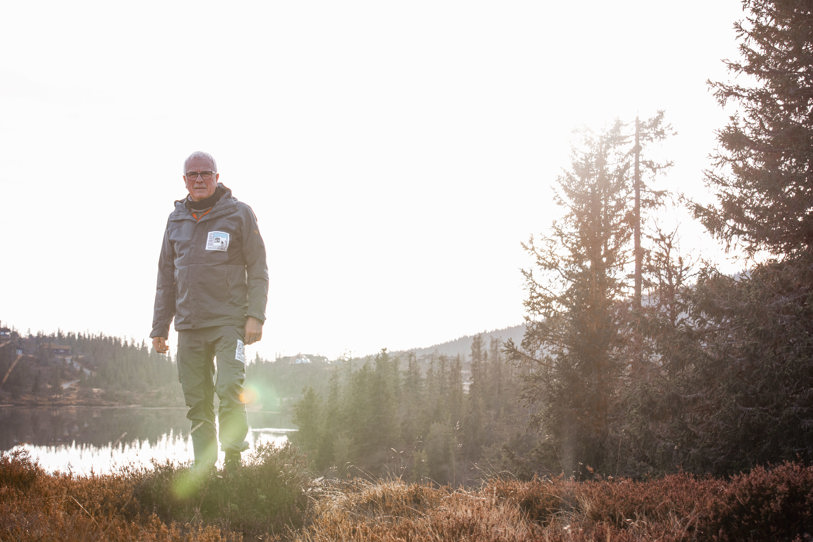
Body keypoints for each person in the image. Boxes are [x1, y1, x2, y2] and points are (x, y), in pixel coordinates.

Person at [150, 151, 268, 472]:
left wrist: (255, 315)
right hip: (189, 326)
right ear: (184, 181)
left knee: (230, 388)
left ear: (217, 177)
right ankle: (203, 466)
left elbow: (258, 268)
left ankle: (232, 461)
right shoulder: (175, 220)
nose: (199, 179)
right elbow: (166, 278)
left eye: (206, 173)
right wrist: (160, 328)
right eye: (193, 174)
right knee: (197, 400)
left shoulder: (239, 214)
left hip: (229, 322)